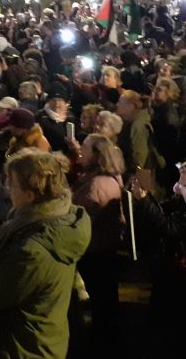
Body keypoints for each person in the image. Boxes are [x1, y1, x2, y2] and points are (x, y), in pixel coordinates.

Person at [0, 149, 91, 358]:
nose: (7, 188)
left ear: (30, 195)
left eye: (11, 183)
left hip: (17, 348)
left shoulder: (33, 252)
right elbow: (16, 247)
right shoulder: (53, 217)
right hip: (34, 341)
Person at [132, 156, 186, 356]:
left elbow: (169, 227)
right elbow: (163, 212)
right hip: (176, 266)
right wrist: (146, 197)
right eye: (182, 168)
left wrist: (145, 200)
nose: (181, 172)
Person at [72, 134, 125, 353]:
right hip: (105, 248)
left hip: (95, 251)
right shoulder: (109, 178)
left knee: (102, 302)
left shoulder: (95, 186)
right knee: (106, 299)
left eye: (85, 148)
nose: (81, 151)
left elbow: (80, 219)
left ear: (97, 155)